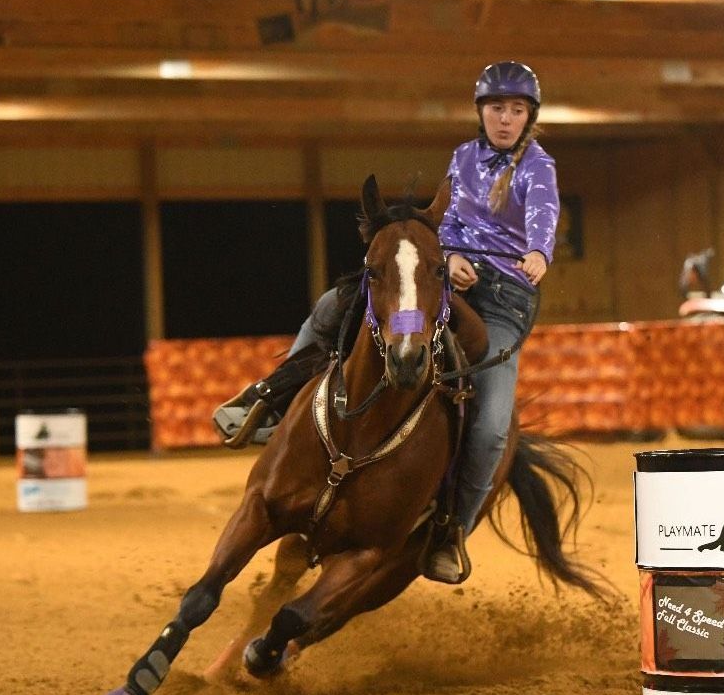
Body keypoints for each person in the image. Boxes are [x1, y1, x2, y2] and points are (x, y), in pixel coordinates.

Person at [212, 60, 557, 586]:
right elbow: (450, 218)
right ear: (481, 113)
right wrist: (450, 254)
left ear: (529, 117)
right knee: (335, 306)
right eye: (495, 109)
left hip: (505, 299)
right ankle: (271, 402)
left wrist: (537, 252)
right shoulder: (463, 158)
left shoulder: (539, 167)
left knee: (489, 427)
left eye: (515, 111)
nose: (504, 119)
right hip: (451, 280)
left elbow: (543, 215)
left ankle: (450, 532)